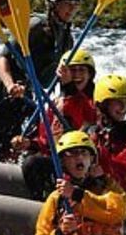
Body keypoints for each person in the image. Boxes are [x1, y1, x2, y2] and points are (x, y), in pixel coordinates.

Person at [0, 0, 82, 161]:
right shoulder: (34, 26)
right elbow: (3, 59)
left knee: (27, 141)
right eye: (67, 4)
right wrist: (11, 85)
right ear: (53, 4)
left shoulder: (66, 38)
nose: (71, 10)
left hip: (29, 94)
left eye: (75, 5)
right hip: (4, 91)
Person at [32, 131, 126, 235]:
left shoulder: (108, 188)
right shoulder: (56, 199)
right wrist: (60, 233)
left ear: (92, 159)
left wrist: (78, 195)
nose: (79, 158)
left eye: (83, 153)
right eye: (71, 155)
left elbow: (122, 211)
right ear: (63, 162)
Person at [11, 48, 97, 199]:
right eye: (72, 70)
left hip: (81, 164)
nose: (76, 75)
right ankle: (44, 202)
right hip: (59, 161)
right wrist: (29, 143)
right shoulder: (55, 103)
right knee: (31, 161)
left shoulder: (94, 102)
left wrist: (69, 87)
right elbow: (46, 141)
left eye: (81, 70)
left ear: (90, 75)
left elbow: (86, 113)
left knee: (34, 163)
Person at [87, 74, 126, 230]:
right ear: (103, 105)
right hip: (96, 196)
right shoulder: (90, 131)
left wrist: (103, 163)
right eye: (118, 102)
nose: (124, 107)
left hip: (124, 204)